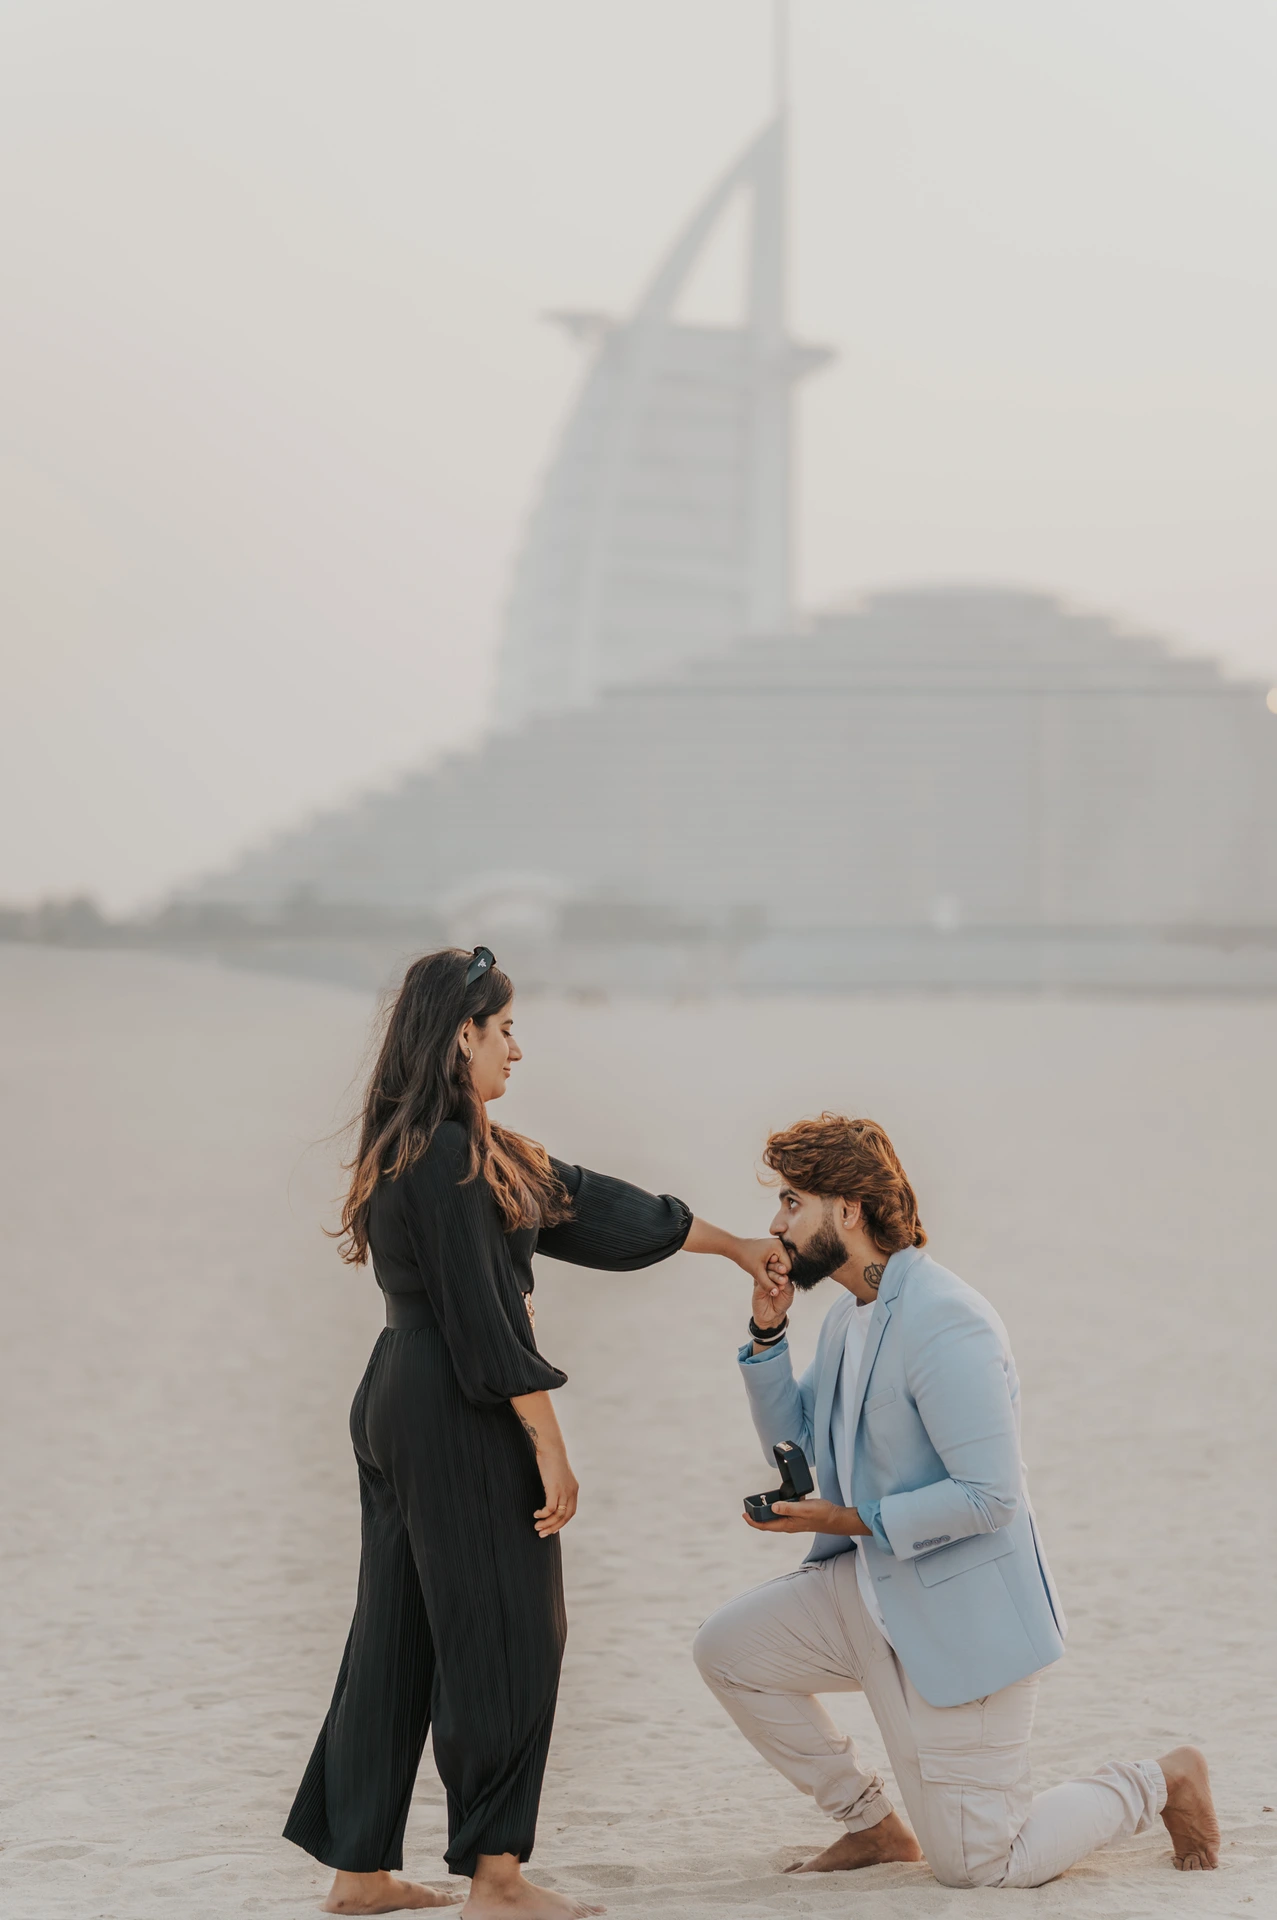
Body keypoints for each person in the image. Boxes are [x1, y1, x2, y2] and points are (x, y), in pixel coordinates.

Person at [284, 946, 780, 1919]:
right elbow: (486, 1324)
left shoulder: (453, 1147)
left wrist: (728, 1246)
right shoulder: (455, 1159)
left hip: (395, 1396)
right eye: (504, 1028)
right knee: (512, 1625)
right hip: (455, 1400)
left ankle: (358, 1868)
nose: (518, 1046)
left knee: (398, 1632)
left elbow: (592, 1205)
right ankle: (497, 1878)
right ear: (460, 1034)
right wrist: (550, 1442)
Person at [693, 1112, 1221, 1889]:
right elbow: (798, 1447)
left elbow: (989, 1496)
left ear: (848, 1210)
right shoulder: (847, 1316)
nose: (775, 1224)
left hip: (958, 1620)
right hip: (865, 1590)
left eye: (791, 1202)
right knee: (728, 1653)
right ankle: (872, 1828)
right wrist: (768, 1337)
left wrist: (850, 1520)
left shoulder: (945, 1320)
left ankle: (1160, 1779)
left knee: (980, 1866)